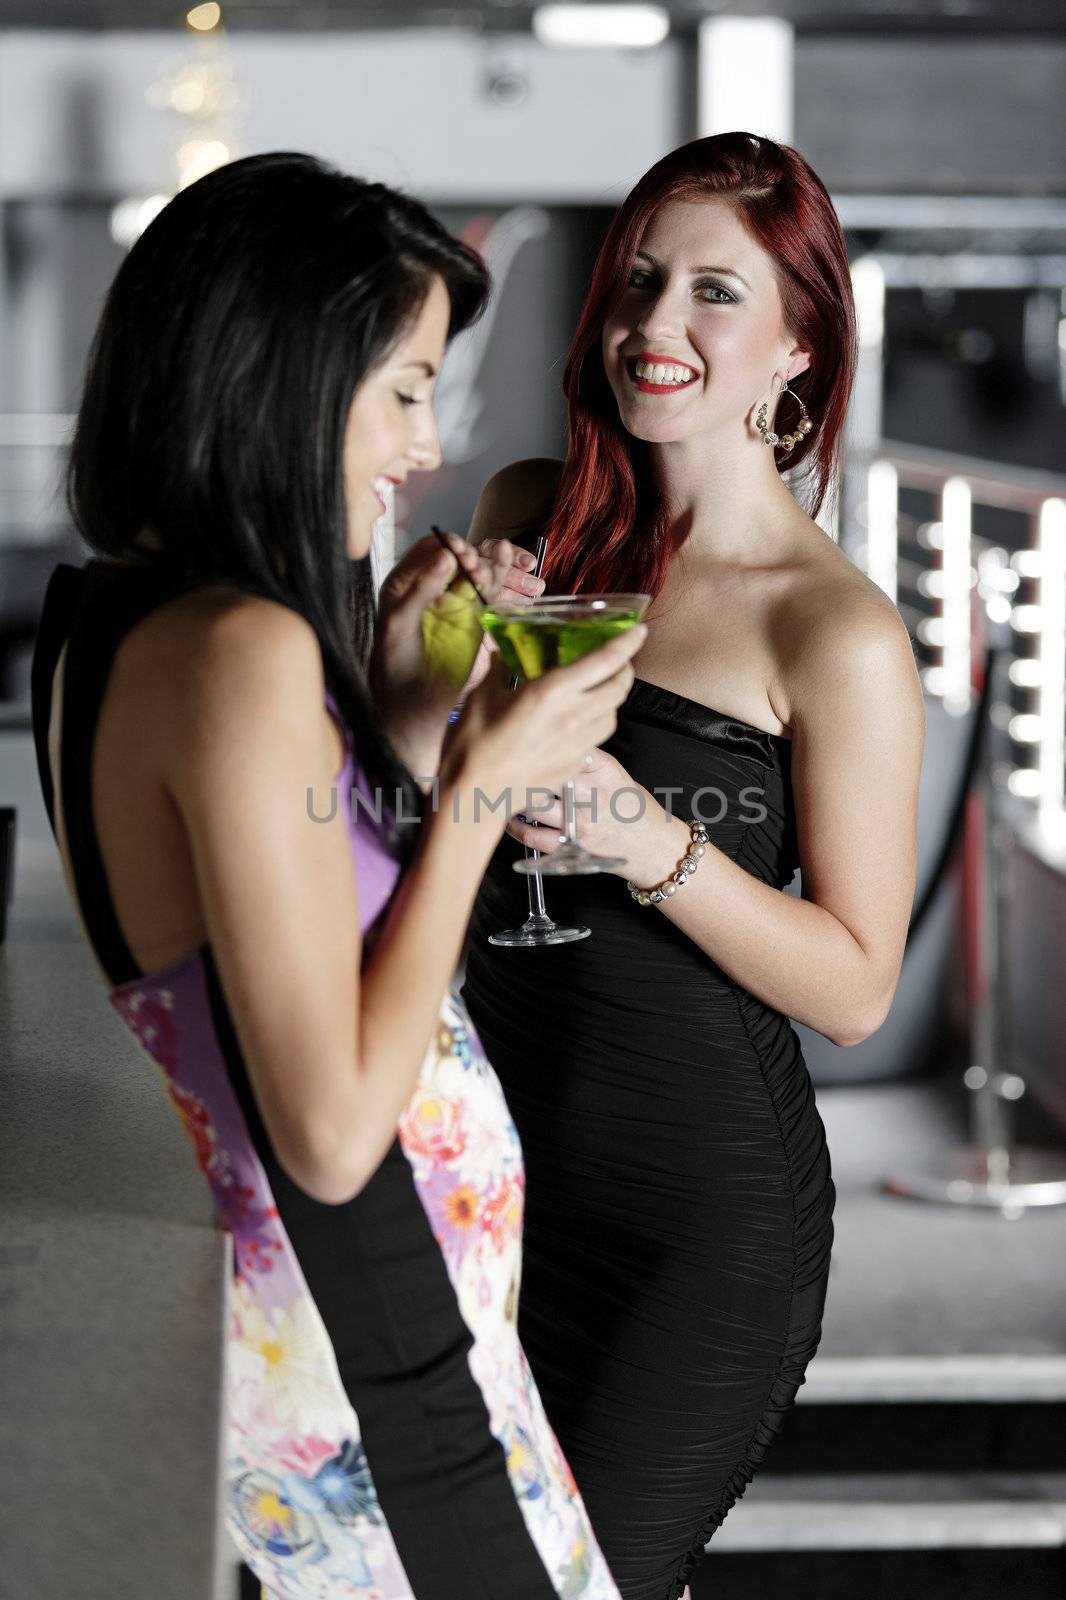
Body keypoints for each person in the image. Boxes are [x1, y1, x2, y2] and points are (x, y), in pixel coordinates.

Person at [29, 152, 643, 1600]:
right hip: (371, 1379)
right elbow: (324, 1128)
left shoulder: (127, 615)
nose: (426, 447)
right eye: (406, 388)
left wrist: (403, 731)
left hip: (379, 1360)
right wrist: (486, 786)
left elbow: (282, 926)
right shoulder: (237, 655)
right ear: (287, 379)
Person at [461, 132, 925, 1600]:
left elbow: (853, 989)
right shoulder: (527, 520)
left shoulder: (832, 632)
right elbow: (421, 821)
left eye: (713, 294)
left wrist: (640, 841)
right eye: (638, 283)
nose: (654, 328)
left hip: (700, 1234)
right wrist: (429, 671)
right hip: (506, 1179)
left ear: (798, 350)